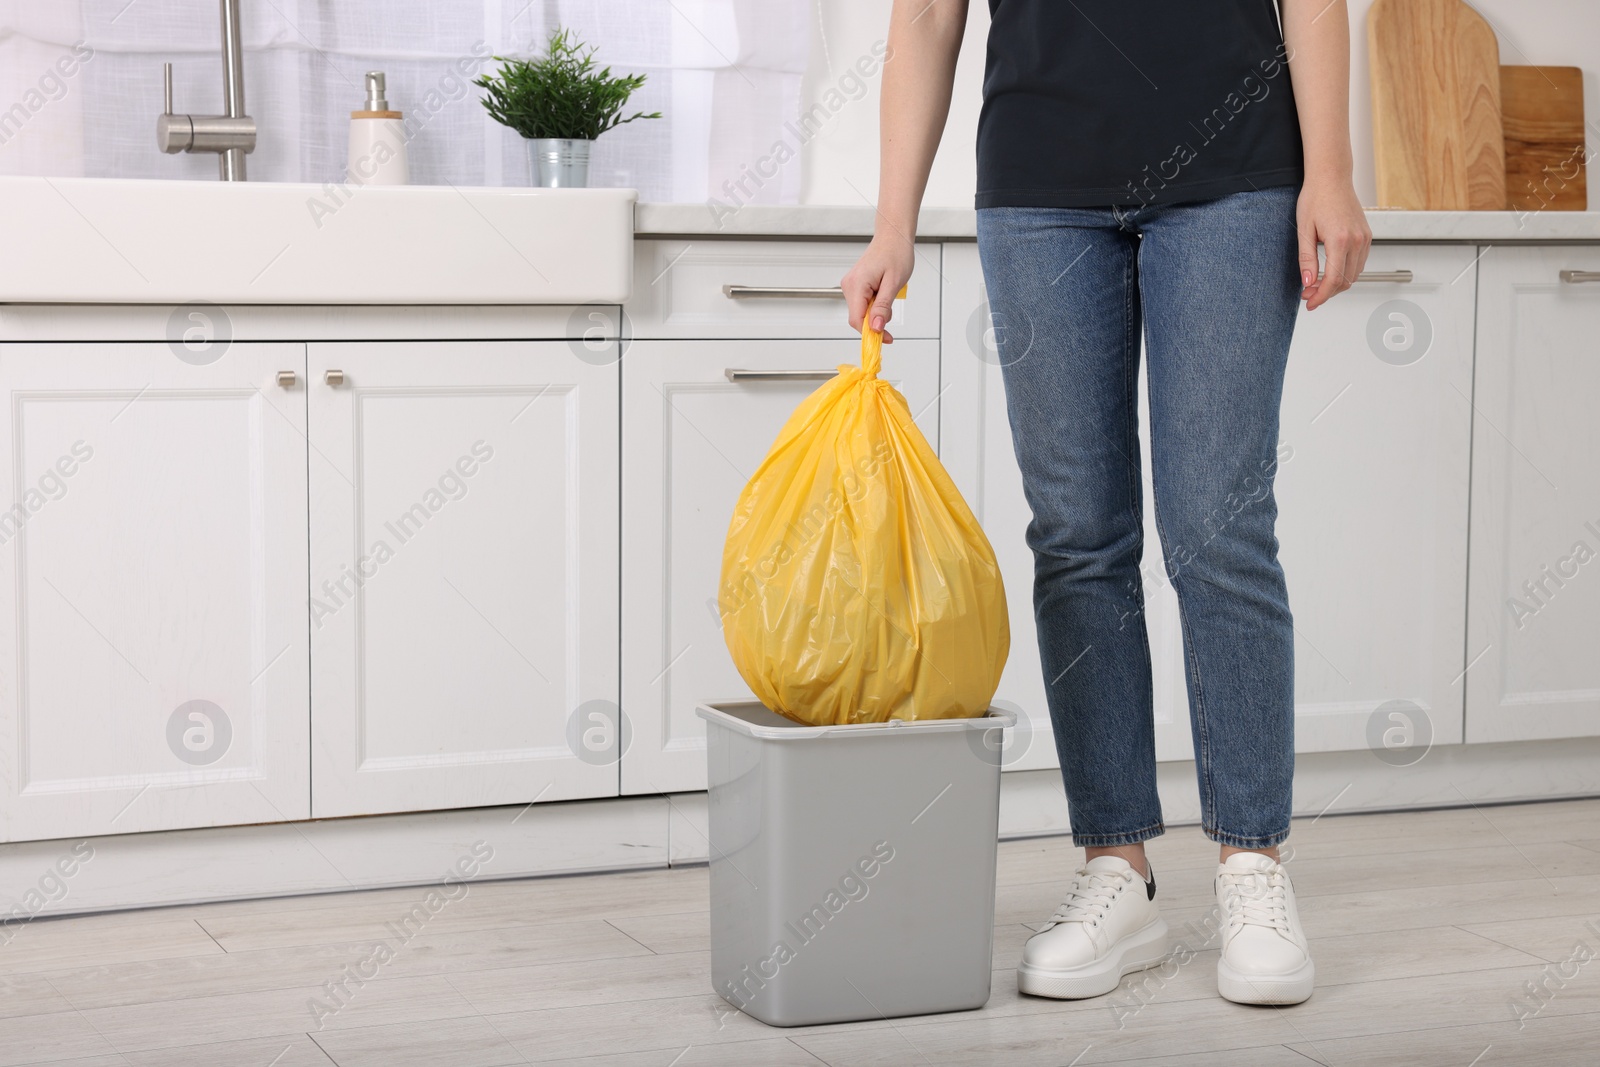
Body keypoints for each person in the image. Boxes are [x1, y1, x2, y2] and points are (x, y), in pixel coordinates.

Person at [841, 0, 1371, 1007]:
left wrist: (1331, 173)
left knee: (1220, 529)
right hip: (1039, 185)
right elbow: (923, 22)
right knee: (1078, 534)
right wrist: (892, 225)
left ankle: (1251, 864)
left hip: (1234, 172)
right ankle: (1114, 863)